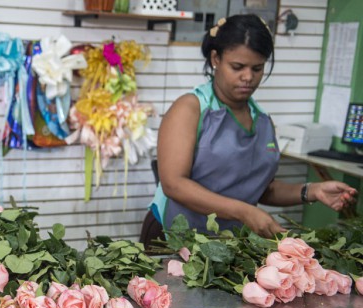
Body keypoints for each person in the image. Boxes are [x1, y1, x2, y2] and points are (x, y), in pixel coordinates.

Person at [147, 14, 357, 239]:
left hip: (226, 245)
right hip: (173, 237)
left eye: (257, 68)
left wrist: (312, 190)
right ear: (215, 59)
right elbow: (173, 184)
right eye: (237, 67)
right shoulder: (190, 109)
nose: (248, 77)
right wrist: (244, 211)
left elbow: (262, 189)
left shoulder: (262, 121)